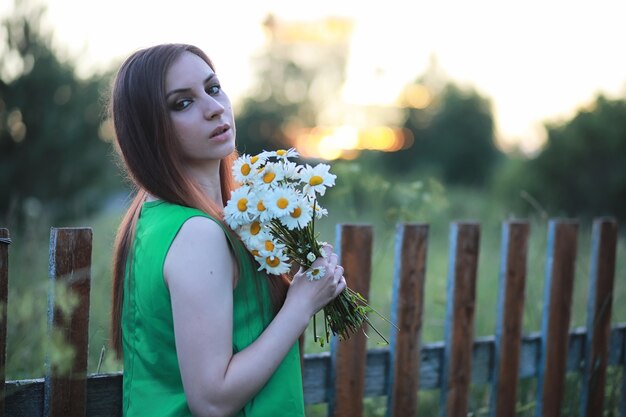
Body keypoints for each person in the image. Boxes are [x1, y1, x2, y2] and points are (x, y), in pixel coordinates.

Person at [108, 43, 346, 417]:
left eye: (213, 87)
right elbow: (212, 400)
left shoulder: (154, 218)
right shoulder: (196, 234)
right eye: (182, 103)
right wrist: (301, 305)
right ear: (149, 130)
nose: (213, 107)